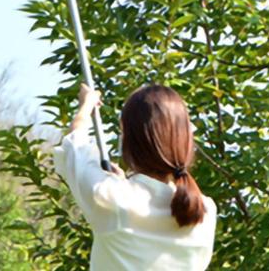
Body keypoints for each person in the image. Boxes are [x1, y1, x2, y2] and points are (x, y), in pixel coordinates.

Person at [53, 83, 216, 270]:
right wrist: (123, 183)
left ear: (131, 142)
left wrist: (85, 107)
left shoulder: (114, 199)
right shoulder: (206, 211)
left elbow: (75, 146)